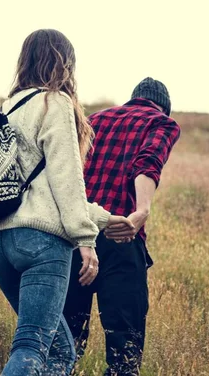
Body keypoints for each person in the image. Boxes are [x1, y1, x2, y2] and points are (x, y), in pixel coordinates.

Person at [0, 29, 134, 376]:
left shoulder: (6, 109)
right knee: (32, 346)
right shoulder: (55, 103)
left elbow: (41, 191)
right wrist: (86, 240)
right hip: (40, 244)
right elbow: (66, 181)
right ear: (65, 63)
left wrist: (107, 218)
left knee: (61, 350)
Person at [63, 77, 181, 375]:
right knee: (124, 351)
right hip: (121, 238)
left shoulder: (95, 120)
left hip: (75, 238)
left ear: (133, 98)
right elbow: (148, 161)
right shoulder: (161, 123)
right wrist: (142, 209)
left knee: (65, 343)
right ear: (164, 108)